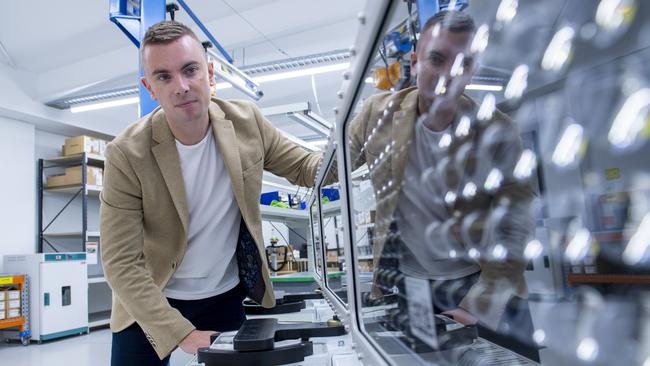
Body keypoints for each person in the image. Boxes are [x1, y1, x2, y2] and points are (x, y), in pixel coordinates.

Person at [100, 21, 322, 365]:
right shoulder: (126, 154)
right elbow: (120, 262)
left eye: (190, 70)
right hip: (150, 297)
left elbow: (308, 168)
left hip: (223, 294)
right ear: (150, 88)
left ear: (211, 74)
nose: (181, 86)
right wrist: (181, 332)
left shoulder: (247, 122)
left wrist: (368, 138)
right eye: (164, 77)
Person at [348, 11, 538, 359]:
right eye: (436, 58)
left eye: (462, 62)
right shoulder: (377, 115)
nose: (447, 73)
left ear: (472, 69)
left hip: (482, 280)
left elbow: (517, 223)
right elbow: (327, 170)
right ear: (415, 61)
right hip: (411, 287)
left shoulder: (498, 132)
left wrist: (482, 302)